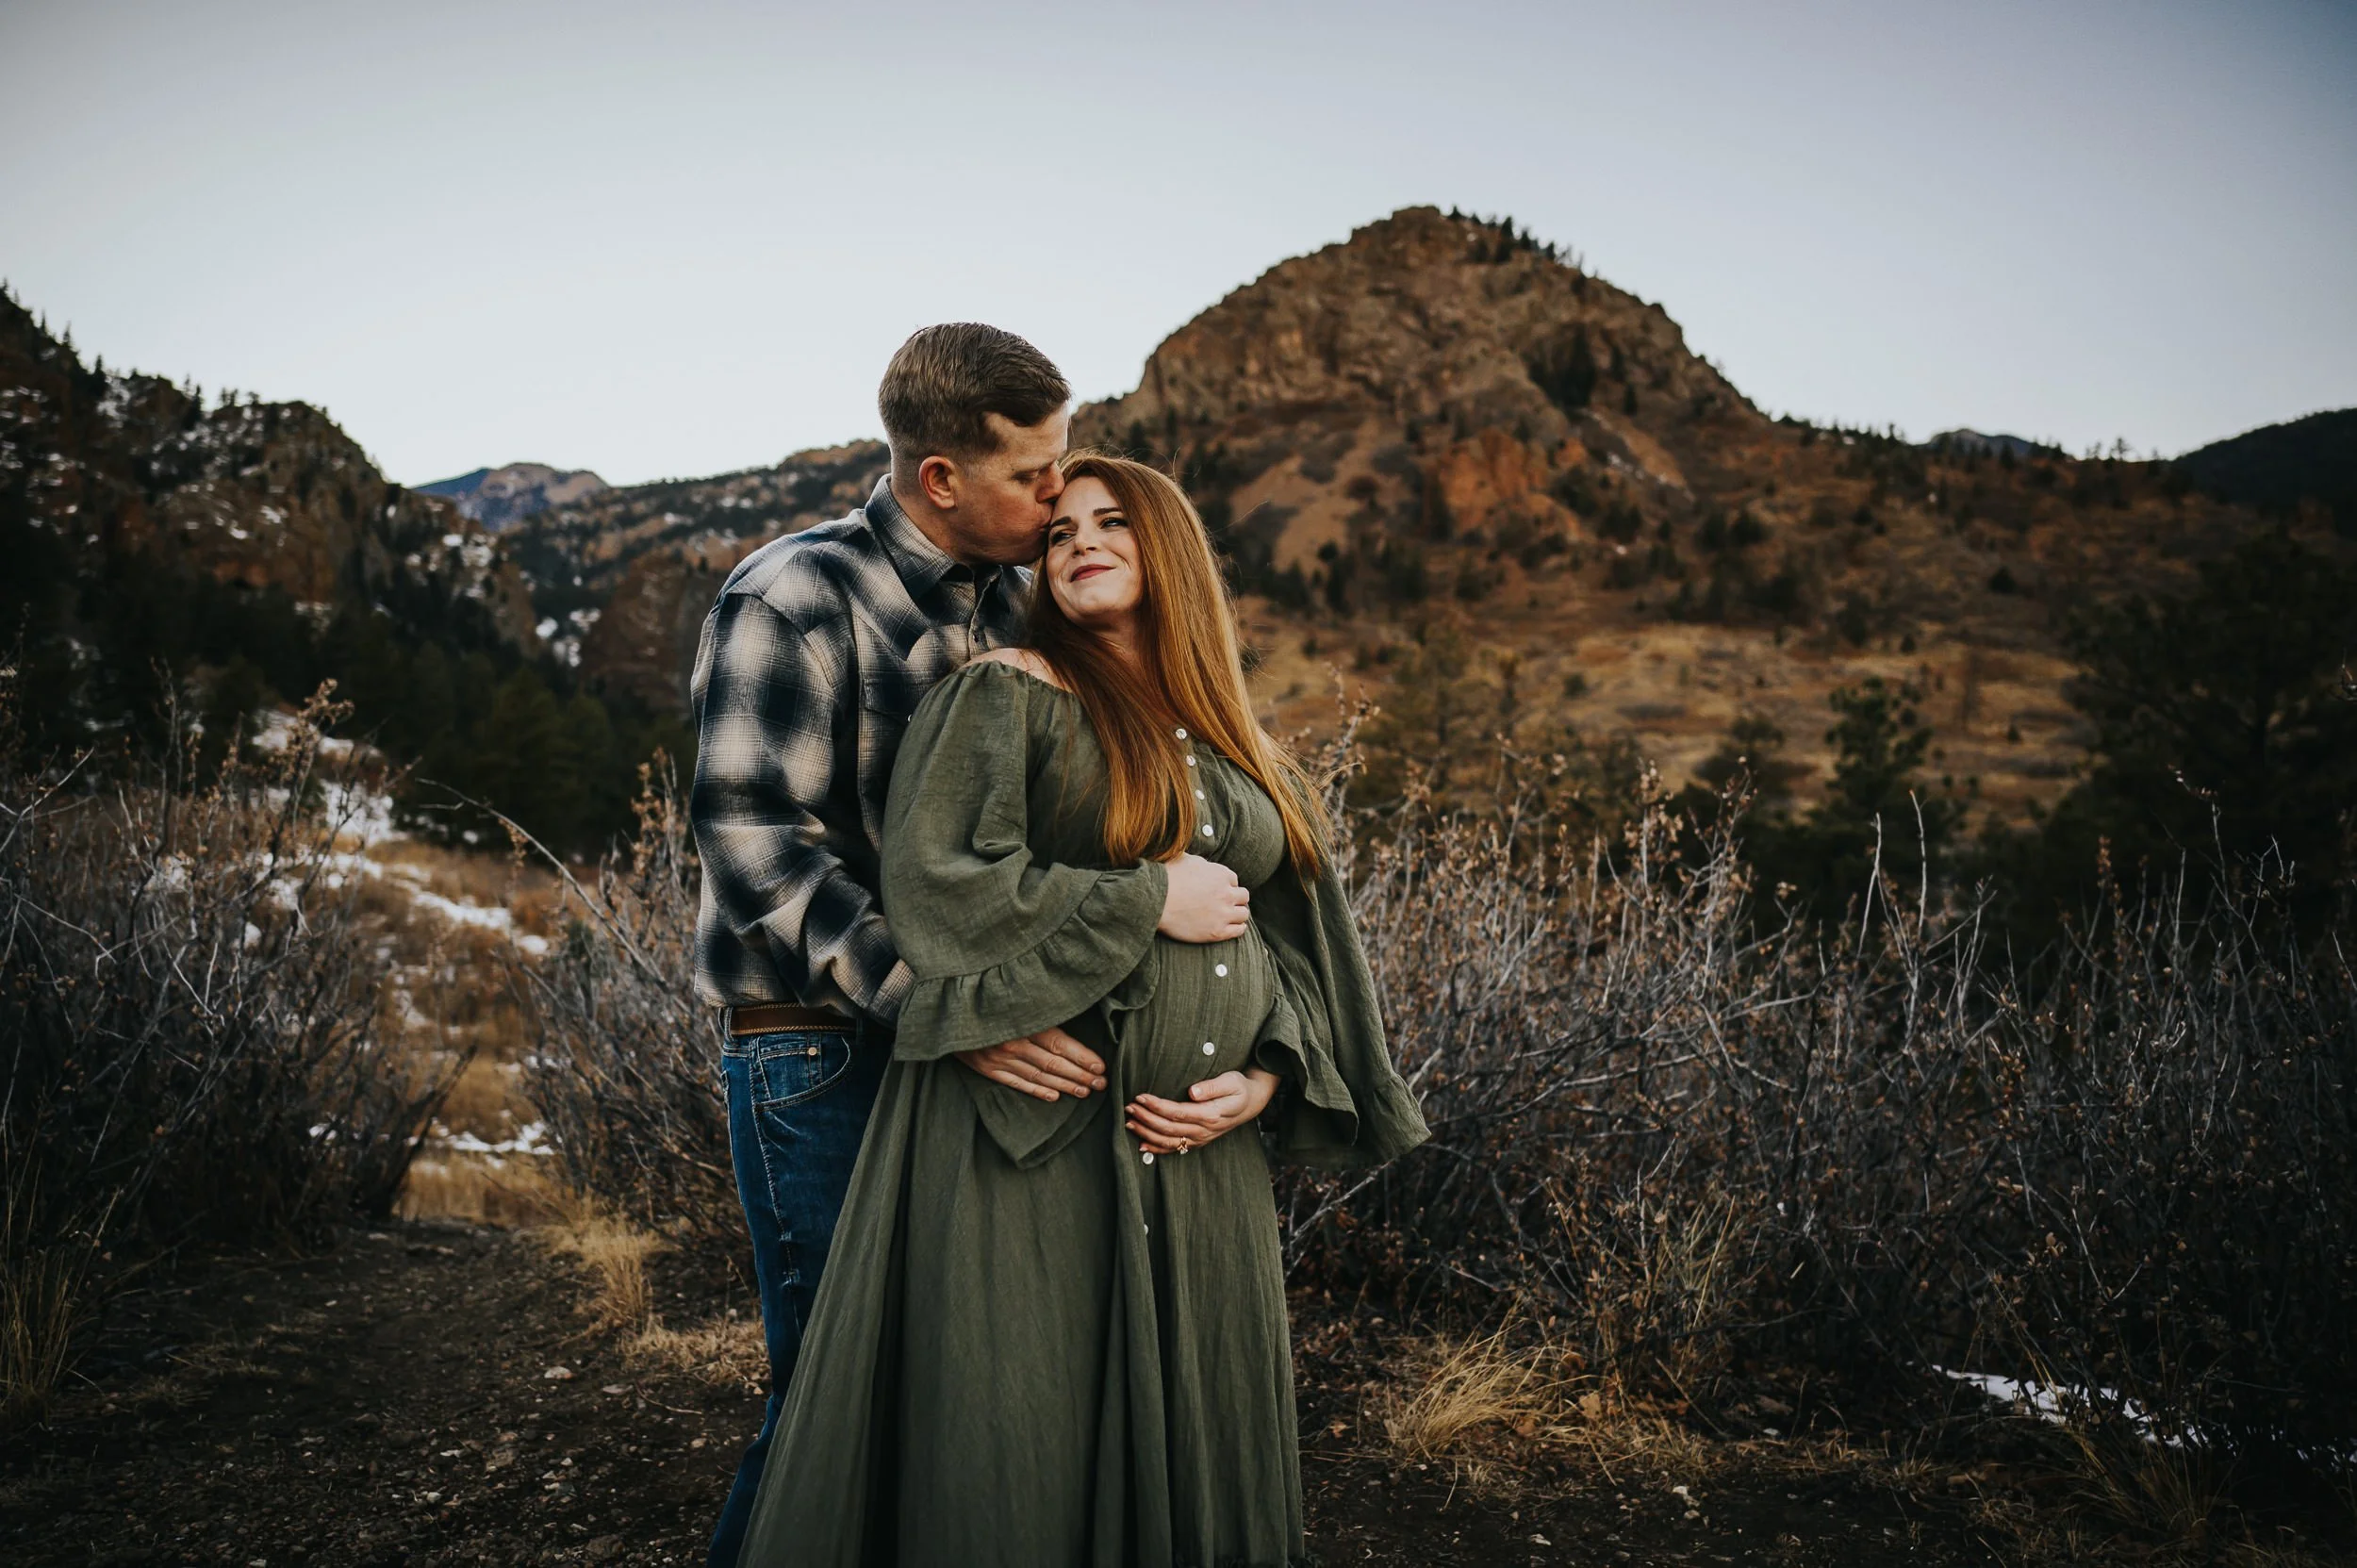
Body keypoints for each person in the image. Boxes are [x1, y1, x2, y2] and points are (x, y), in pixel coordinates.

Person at [736, 453, 1430, 1567]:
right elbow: (941, 887)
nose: (1078, 544)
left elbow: (1295, 950)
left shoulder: (1241, 745)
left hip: (1202, 1161)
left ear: (1174, 551)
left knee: (1206, 1429)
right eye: (1056, 533)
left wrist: (1264, 1080)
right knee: (1020, 1437)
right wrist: (1141, 898)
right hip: (1038, 1137)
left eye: (1110, 523)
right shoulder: (1006, 691)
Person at [688, 327, 1247, 1567]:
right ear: (941, 477)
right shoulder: (794, 593)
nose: (1060, 498)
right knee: (832, 1396)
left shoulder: (1024, 603)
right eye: (1035, 477)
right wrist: (956, 1008)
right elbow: (756, 843)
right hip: (823, 1053)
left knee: (956, 1405)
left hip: (978, 1057)